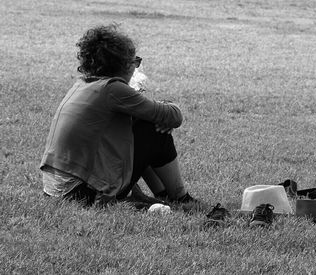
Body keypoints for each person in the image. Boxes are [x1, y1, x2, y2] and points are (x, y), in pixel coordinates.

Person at [40, 24, 198, 210]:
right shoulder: (113, 88)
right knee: (152, 130)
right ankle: (180, 197)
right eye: (135, 61)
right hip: (79, 192)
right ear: (124, 64)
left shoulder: (83, 85)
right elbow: (174, 116)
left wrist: (154, 116)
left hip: (56, 188)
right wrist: (163, 111)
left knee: (143, 125)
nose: (136, 67)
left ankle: (162, 195)